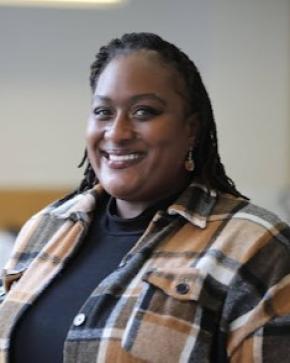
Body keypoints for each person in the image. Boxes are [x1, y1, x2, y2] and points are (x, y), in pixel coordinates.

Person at [0, 32, 289, 363]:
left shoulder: (256, 246)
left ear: (191, 129)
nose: (118, 133)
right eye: (103, 111)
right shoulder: (45, 228)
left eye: (144, 112)